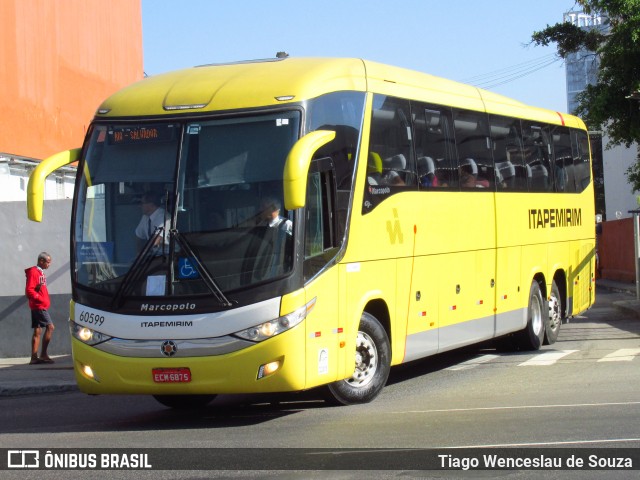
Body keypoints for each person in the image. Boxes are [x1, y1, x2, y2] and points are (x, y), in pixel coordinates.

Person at [25, 252, 54, 365]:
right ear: (41, 261)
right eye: (48, 262)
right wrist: (40, 299)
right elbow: (29, 290)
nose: (49, 264)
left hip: (39, 305)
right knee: (50, 327)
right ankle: (43, 354)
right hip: (39, 306)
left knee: (38, 330)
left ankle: (34, 357)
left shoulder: (40, 272)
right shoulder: (34, 272)